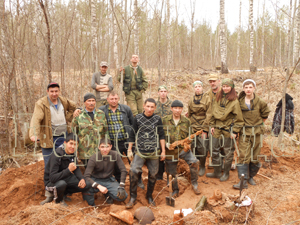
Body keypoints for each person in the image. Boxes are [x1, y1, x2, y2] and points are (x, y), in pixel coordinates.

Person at [125, 98, 166, 209]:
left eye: (152, 107)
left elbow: (161, 135)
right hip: (140, 151)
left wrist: (163, 151)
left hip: (154, 152)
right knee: (133, 171)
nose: (149, 109)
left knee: (153, 175)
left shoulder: (157, 119)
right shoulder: (137, 118)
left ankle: (149, 196)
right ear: (144, 106)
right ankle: (133, 197)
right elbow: (132, 134)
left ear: (155, 108)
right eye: (148, 106)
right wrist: (129, 149)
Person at [233, 79, 270, 189]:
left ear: (254, 88)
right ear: (243, 89)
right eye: (246, 87)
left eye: (250, 87)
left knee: (255, 156)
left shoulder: (261, 102)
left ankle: (251, 177)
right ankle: (242, 181)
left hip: (257, 133)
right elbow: (236, 117)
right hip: (244, 132)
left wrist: (257, 126)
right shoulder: (239, 102)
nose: (248, 89)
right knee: (244, 156)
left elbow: (265, 116)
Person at [30, 82, 76, 168]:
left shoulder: (63, 100)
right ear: (47, 91)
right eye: (52, 91)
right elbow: (36, 118)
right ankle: (49, 180)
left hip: (63, 136)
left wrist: (68, 117)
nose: (54, 94)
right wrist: (34, 134)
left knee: (64, 160)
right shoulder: (41, 103)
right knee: (49, 162)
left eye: (56, 91)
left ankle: (64, 179)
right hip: (49, 137)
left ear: (59, 91)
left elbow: (73, 107)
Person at [207, 78, 244, 181]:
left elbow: (239, 119)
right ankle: (217, 172)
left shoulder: (234, 101)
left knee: (228, 152)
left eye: (228, 86)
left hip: (228, 128)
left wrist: (235, 131)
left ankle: (226, 173)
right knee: (214, 150)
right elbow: (213, 113)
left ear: (231, 87)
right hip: (217, 127)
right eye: (224, 86)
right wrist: (212, 125)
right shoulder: (217, 98)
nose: (225, 88)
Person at [41, 133, 91, 206]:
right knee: (61, 184)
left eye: (75, 144)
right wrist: (68, 170)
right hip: (51, 182)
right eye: (71, 143)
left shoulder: (72, 154)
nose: (73, 146)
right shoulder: (57, 155)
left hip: (64, 177)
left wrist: (82, 179)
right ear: (65, 143)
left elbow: (76, 169)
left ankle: (63, 194)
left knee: (87, 184)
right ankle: (59, 201)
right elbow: (52, 178)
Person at [163, 100, 201, 197]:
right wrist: (166, 144)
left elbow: (190, 136)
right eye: (175, 108)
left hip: (183, 150)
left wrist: (188, 145)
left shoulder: (186, 121)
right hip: (170, 150)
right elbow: (160, 135)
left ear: (182, 109)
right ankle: (175, 190)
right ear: (171, 109)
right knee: (171, 171)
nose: (177, 110)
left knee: (194, 162)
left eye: (179, 108)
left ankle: (194, 183)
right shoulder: (164, 120)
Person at [83, 138, 128, 205]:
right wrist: (98, 186)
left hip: (109, 180)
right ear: (99, 147)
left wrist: (121, 185)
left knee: (123, 196)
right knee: (86, 187)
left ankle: (107, 193)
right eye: (102, 147)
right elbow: (86, 176)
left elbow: (123, 170)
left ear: (111, 147)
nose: (105, 149)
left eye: (107, 146)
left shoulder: (115, 154)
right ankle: (92, 206)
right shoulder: (93, 158)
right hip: (95, 179)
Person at [71, 93, 108, 166]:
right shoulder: (78, 115)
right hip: (85, 151)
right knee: (87, 172)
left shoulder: (101, 114)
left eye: (93, 101)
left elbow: (105, 132)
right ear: (84, 102)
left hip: (99, 150)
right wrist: (75, 150)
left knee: (99, 170)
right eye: (89, 101)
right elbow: (74, 134)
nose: (91, 103)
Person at [187, 81, 212, 177]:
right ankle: (195, 164)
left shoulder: (207, 99)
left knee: (203, 148)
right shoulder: (191, 99)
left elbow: (209, 114)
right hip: (193, 126)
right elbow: (189, 114)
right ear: (193, 88)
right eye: (196, 86)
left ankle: (202, 166)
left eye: (199, 86)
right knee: (193, 147)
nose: (197, 88)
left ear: (202, 88)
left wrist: (205, 129)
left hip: (203, 126)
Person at [154, 85, 173, 180]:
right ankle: (159, 175)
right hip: (157, 134)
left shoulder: (172, 105)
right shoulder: (154, 105)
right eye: (161, 91)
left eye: (165, 91)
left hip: (169, 133)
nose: (163, 93)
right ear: (158, 93)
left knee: (169, 154)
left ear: (167, 92)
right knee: (159, 154)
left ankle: (170, 176)